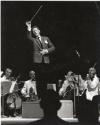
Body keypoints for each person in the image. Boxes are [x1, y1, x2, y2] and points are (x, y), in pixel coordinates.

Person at [26, 21, 55, 98]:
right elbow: (28, 37)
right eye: (33, 31)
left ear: (39, 31)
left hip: (46, 61)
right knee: (39, 80)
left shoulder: (46, 38)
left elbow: (53, 47)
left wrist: (46, 51)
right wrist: (29, 28)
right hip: (38, 62)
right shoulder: (34, 40)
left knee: (46, 79)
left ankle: (45, 96)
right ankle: (40, 96)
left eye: (36, 30)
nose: (35, 32)